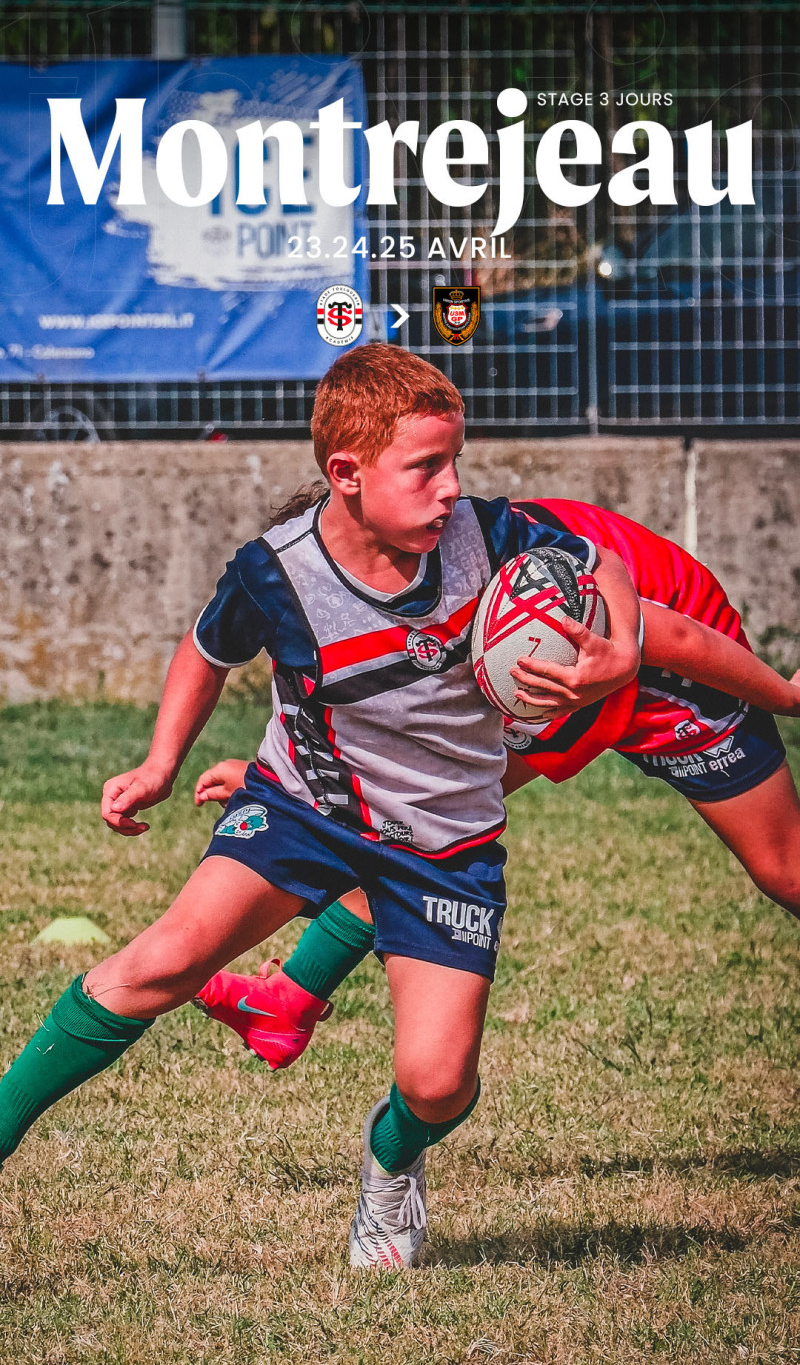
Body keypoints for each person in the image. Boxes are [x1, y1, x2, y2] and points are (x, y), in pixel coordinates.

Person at [0, 346, 642, 1271]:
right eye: (425, 467)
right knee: (160, 961)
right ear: (347, 474)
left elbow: (601, 560)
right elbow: (206, 649)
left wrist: (622, 652)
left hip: (445, 843)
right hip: (306, 808)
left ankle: (394, 1160)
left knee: (438, 1084)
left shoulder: (493, 536)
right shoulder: (277, 573)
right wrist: (159, 763)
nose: (450, 488)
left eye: (455, 462)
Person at [193, 497, 800, 1082]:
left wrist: (787, 696)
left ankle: (290, 998)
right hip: (550, 674)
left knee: (785, 871)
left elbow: (677, 638)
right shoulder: (388, 590)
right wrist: (276, 780)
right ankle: (289, 1000)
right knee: (419, 826)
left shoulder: (503, 575)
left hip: (674, 672)